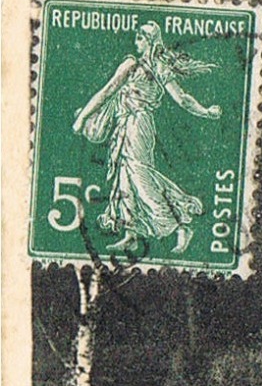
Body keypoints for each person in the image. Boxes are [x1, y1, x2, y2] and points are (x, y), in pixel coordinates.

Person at [72, 22, 221, 255]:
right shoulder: (152, 66)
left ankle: (181, 226)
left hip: (138, 125)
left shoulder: (141, 65)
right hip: (126, 124)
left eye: (140, 38)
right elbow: (180, 98)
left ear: (148, 41)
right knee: (125, 178)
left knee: (141, 177)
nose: (136, 42)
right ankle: (131, 234)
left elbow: (108, 91)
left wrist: (82, 117)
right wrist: (206, 111)